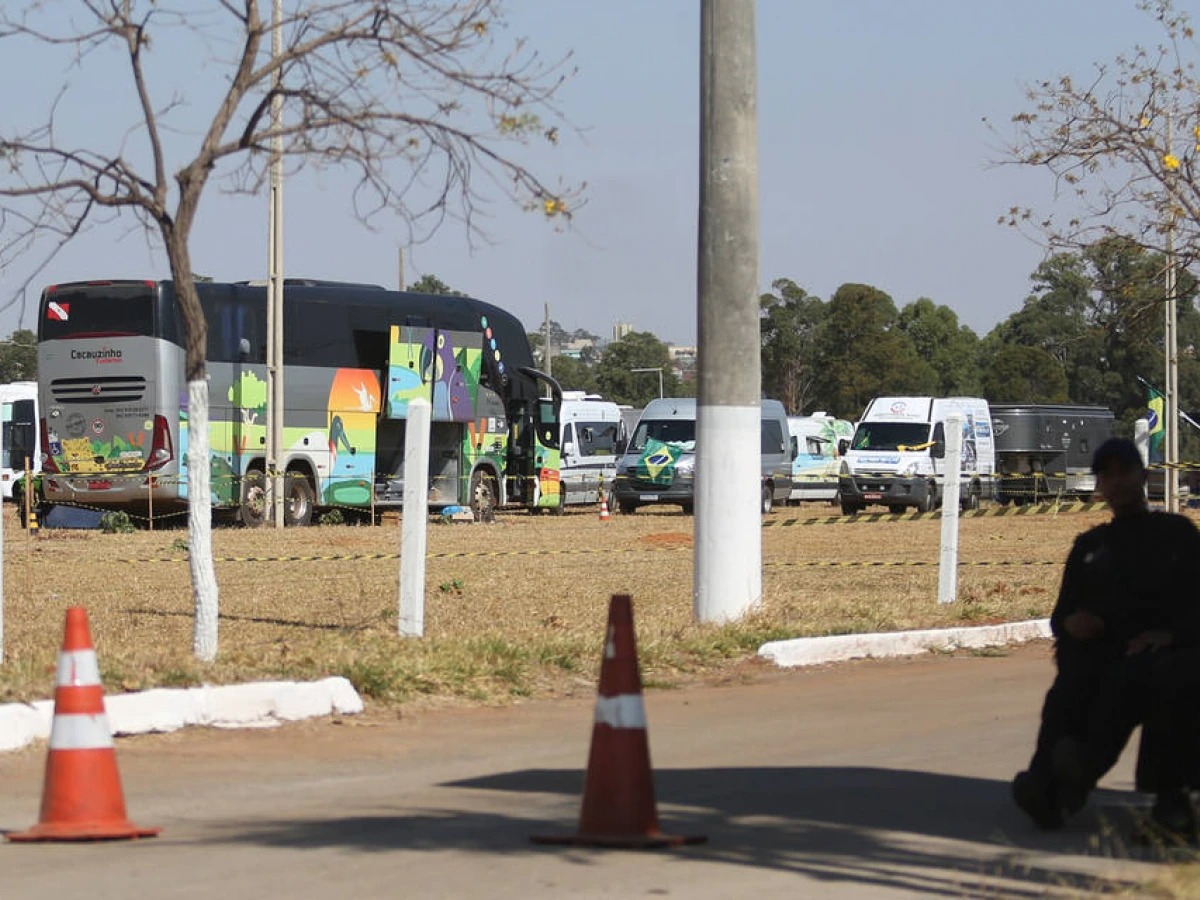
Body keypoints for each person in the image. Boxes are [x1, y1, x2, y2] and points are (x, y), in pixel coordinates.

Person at [1011, 437, 1200, 834]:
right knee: (1070, 689)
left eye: (1123, 472)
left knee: (1164, 678)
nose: (1116, 481)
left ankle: (1170, 801)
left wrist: (1168, 636)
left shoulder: (1177, 535)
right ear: (1099, 486)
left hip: (1168, 650)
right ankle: (1048, 785)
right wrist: (1073, 623)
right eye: (1107, 475)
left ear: (1142, 477)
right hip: (1105, 652)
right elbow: (1061, 615)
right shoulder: (1091, 547)